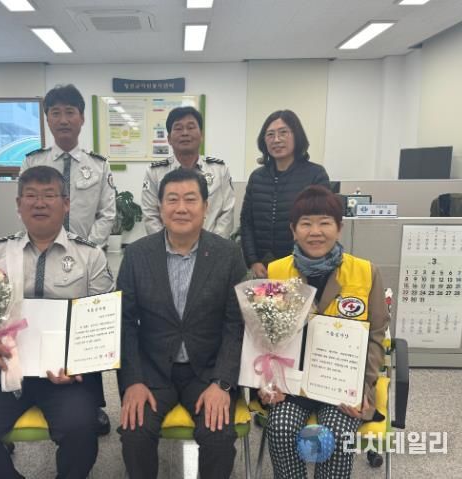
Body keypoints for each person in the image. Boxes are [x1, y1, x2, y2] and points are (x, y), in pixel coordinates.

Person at [0, 166, 114, 479]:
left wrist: (77, 362)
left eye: (49, 195)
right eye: (31, 196)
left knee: (81, 432)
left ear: (66, 204)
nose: (40, 203)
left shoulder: (90, 256)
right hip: (6, 367)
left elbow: (102, 317)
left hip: (66, 373)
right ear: (19, 204)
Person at [117, 168, 246, 479]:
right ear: (160, 207)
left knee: (218, 436)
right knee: (135, 432)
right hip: (152, 371)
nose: (181, 208)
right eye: (172, 200)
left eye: (190, 199)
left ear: (206, 206)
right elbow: (124, 322)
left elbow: (236, 325)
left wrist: (222, 383)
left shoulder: (228, 255)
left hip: (208, 371)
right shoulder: (137, 255)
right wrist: (133, 381)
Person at [261, 185, 390, 478]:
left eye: (324, 223)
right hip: (292, 383)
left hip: (342, 383)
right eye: (306, 223)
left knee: (335, 433)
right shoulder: (276, 272)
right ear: (293, 230)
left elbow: (376, 336)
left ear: (339, 228)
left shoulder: (366, 272)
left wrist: (363, 387)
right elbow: (266, 336)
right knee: (280, 428)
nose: (315, 232)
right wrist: (267, 381)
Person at [21, 84, 116, 248]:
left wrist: (87, 249)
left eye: (70, 112)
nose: (63, 120)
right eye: (56, 113)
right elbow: (26, 209)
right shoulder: (32, 163)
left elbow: (107, 214)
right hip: (42, 251)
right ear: (47, 120)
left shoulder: (99, 165)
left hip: (88, 253)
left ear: (82, 118)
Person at [240, 109, 330, 278]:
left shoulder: (316, 175)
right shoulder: (257, 177)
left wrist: (304, 260)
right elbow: (246, 222)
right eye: (270, 134)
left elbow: (322, 223)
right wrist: (253, 260)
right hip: (263, 267)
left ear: (297, 136)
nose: (276, 139)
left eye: (283, 133)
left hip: (302, 266)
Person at [141, 106, 235, 238]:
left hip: (212, 246)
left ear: (201, 136)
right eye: (178, 128)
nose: (185, 133)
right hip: (167, 247)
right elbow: (150, 215)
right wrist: (167, 245)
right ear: (169, 138)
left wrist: (212, 245)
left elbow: (227, 212)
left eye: (191, 127)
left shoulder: (219, 170)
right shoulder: (154, 172)